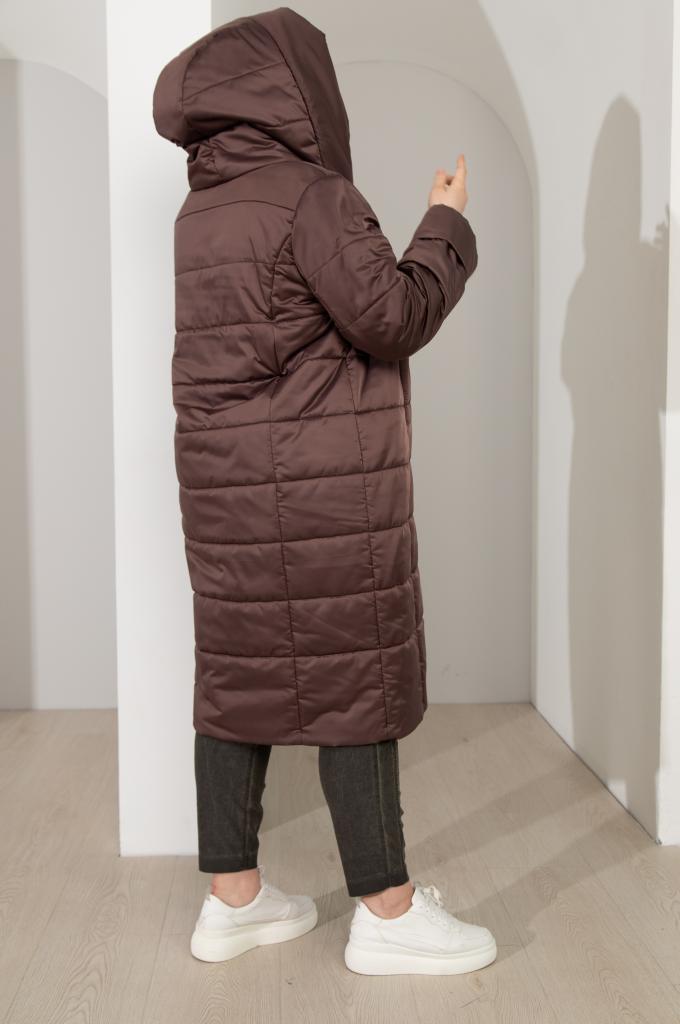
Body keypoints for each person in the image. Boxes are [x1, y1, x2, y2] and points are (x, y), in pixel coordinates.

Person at [152, 6, 496, 976]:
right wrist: (444, 223)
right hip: (318, 493)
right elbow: (391, 317)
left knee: (236, 679)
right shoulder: (312, 197)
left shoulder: (200, 210)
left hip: (223, 493)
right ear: (299, 94)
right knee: (354, 679)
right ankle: (387, 915)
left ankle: (232, 902)